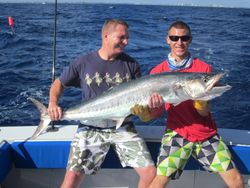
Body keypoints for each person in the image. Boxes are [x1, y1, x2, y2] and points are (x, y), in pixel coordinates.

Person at [132, 20, 244, 188]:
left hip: (205, 133)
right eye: (174, 37)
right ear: (167, 40)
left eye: (184, 38)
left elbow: (205, 113)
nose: (179, 42)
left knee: (236, 181)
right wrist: (145, 114)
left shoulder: (203, 68)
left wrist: (201, 103)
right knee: (159, 182)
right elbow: (157, 114)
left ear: (190, 40)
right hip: (177, 132)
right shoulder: (157, 72)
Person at [47, 19, 156, 188]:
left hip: (122, 126)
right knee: (71, 179)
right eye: (121, 37)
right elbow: (59, 84)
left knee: (150, 174)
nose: (126, 42)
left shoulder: (131, 64)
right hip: (90, 127)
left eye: (127, 38)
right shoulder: (83, 62)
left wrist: (145, 112)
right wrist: (53, 103)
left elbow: (141, 99)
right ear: (106, 36)